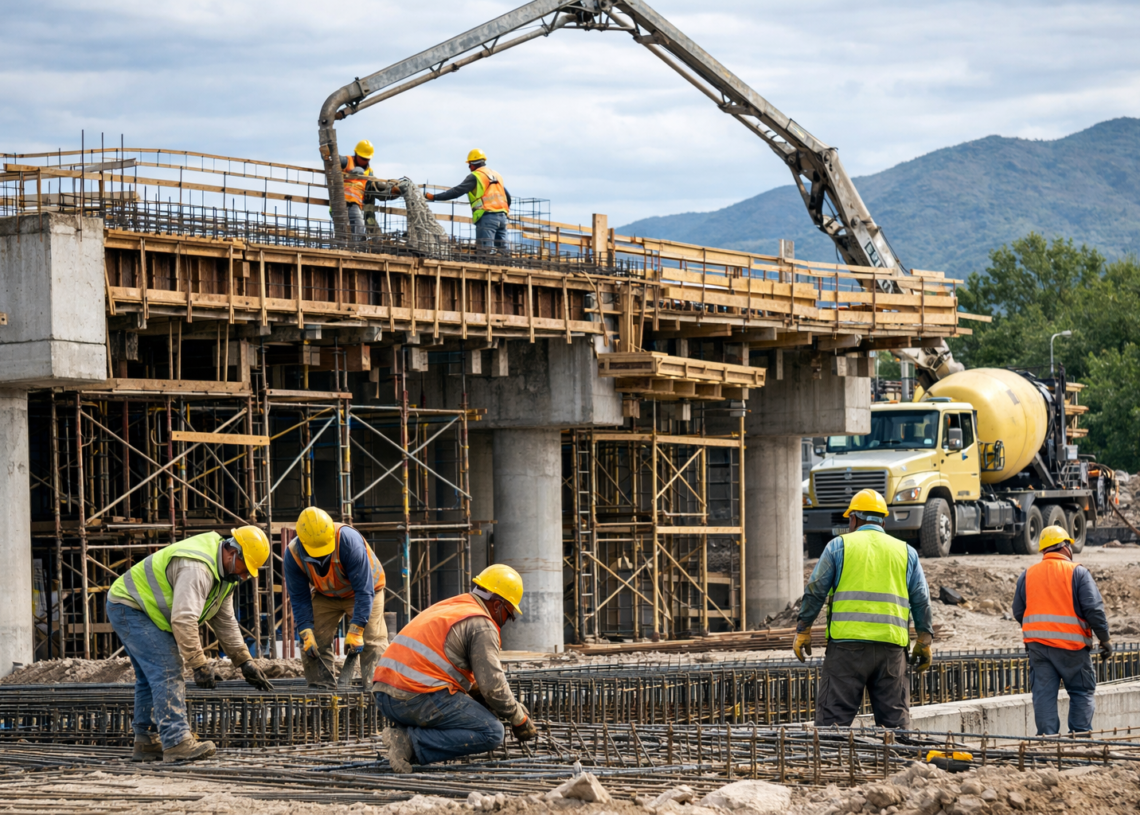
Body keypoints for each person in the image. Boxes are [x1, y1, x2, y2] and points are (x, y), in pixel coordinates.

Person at [107, 527, 275, 763]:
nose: (246, 576)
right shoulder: (198, 568)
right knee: (166, 667)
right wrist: (198, 664)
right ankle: (176, 741)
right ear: (232, 553)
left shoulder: (226, 577)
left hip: (139, 609)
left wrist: (244, 660)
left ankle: (146, 740)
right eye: (245, 567)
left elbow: (224, 619)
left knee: (150, 676)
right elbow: (184, 619)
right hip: (130, 607)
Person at [373, 564, 538, 773]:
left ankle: (406, 734)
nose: (508, 621)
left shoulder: (455, 606)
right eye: (510, 614)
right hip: (413, 698)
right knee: (491, 731)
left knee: (474, 711)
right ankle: (408, 742)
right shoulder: (482, 623)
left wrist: (484, 702)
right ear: (498, 605)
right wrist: (518, 717)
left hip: (385, 696)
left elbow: (474, 682)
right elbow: (493, 686)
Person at [794, 488, 934, 728]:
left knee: (832, 727)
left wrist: (803, 629)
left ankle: (831, 763)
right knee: (895, 729)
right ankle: (900, 765)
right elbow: (921, 599)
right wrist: (924, 640)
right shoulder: (906, 552)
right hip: (891, 650)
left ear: (854, 518)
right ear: (883, 520)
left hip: (846, 649)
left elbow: (815, 590)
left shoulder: (838, 546)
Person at [1013, 524, 1111, 736]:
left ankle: (1048, 741)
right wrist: (1105, 639)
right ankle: (1080, 739)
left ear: (1044, 550)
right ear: (1064, 546)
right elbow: (1094, 610)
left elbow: (1018, 610)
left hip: (1038, 647)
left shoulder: (1028, 574)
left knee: (1044, 694)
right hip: (1072, 648)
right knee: (1081, 692)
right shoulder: (1078, 572)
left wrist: (1037, 630)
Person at [285, 506, 389, 689]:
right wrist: (306, 631)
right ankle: (322, 692)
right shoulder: (293, 554)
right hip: (326, 595)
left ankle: (377, 691)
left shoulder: (347, 541)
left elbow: (364, 590)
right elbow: (299, 598)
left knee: (372, 640)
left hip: (364, 591)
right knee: (314, 641)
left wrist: (356, 629)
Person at [425, 149, 511, 253]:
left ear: (473, 164)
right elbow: (508, 197)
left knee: (484, 252)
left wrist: (434, 197)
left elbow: (456, 191)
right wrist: (504, 212)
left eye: (469, 165)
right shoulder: (497, 175)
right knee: (504, 251)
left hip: (487, 217)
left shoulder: (476, 176)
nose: (469, 167)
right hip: (502, 217)